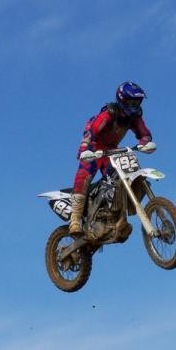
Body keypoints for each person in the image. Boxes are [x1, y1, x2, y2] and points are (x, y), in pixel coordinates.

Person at [69, 81, 156, 235]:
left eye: (137, 102)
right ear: (122, 100)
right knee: (84, 175)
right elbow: (90, 133)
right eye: (131, 102)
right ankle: (75, 220)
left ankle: (118, 214)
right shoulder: (109, 114)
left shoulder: (134, 117)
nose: (135, 105)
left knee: (123, 176)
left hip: (112, 150)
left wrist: (144, 143)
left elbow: (144, 133)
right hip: (94, 148)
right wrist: (84, 149)